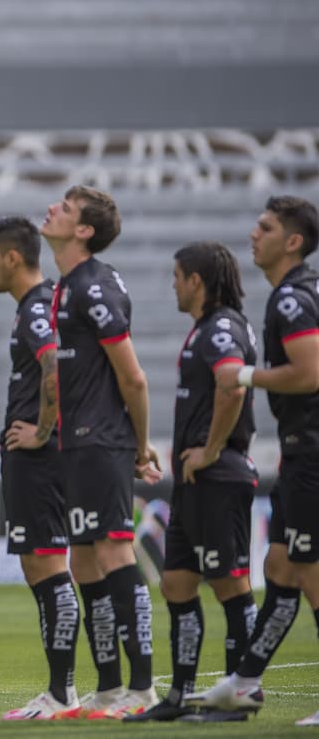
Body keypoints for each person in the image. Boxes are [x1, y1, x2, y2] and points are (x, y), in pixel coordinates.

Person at [189, 196, 319, 729]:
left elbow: (310, 373)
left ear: (292, 241)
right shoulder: (293, 294)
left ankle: (244, 681)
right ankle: (244, 683)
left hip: (312, 450)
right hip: (299, 449)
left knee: (309, 569)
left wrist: (244, 376)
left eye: (265, 228)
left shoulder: (292, 300)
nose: (253, 234)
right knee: (281, 566)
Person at [125, 241, 259, 722]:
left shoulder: (221, 326)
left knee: (230, 583)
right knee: (178, 583)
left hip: (218, 476)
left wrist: (213, 448)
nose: (173, 286)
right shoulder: (205, 328)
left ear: (196, 281)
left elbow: (231, 381)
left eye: (177, 277)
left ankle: (241, 694)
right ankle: (179, 696)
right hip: (193, 481)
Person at [40, 187, 160, 718]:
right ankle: (110, 687)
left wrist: (139, 446)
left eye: (65, 209)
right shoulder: (67, 287)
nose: (52, 210)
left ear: (84, 230)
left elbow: (133, 376)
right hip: (78, 443)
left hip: (103, 440)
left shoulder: (94, 286)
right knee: (85, 561)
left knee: (113, 554)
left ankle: (142, 688)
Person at [0, 218, 80, 719]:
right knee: (41, 569)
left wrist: (41, 430)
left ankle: (62, 694)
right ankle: (62, 691)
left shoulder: (38, 306)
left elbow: (54, 366)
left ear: (13, 258)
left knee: (48, 567)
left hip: (41, 457)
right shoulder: (37, 305)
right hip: (38, 457)